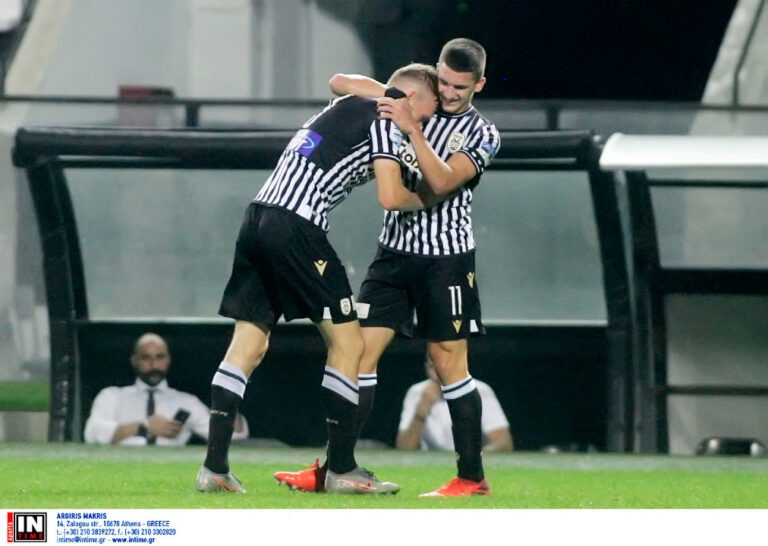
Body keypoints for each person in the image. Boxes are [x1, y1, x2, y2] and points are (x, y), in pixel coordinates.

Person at [194, 63, 440, 494]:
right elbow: (390, 197)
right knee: (350, 344)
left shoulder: (348, 103)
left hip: (257, 217)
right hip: (297, 225)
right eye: (429, 111)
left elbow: (338, 80)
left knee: (248, 345)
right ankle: (342, 469)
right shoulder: (387, 119)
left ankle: (214, 469)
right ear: (414, 98)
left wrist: (392, 96)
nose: (424, 122)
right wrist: (432, 196)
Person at [274, 37, 502, 497]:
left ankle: (471, 477)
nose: (449, 93)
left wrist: (411, 129)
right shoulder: (415, 103)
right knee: (357, 353)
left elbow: (441, 180)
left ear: (479, 85)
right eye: (444, 82)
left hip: (447, 259)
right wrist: (393, 95)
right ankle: (337, 468)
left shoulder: (483, 133)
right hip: (393, 255)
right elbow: (340, 82)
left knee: (447, 361)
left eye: (460, 87)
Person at [84, 332, 249, 446]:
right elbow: (92, 433)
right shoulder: (112, 396)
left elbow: (233, 436)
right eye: (146, 357)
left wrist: (229, 396)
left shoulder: (186, 402)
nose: (154, 365)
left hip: (170, 469)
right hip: (119, 467)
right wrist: (143, 427)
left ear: (168, 359)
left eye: (159, 357)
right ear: (134, 361)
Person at [396, 353, 513, 452]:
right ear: (427, 368)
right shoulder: (417, 392)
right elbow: (404, 448)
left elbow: (503, 443)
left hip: (472, 461)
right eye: (433, 366)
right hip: (431, 464)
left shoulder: (479, 391)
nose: (440, 372)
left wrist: (472, 460)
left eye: (446, 365)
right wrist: (421, 410)